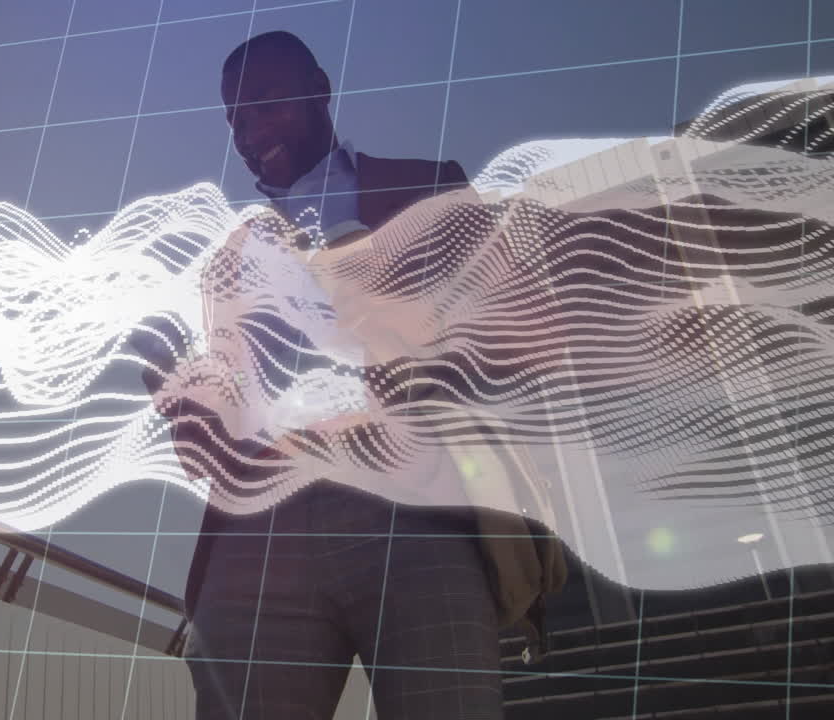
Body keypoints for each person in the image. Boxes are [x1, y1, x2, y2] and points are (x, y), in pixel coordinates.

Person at [146, 31, 565, 720]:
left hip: (414, 503)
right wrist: (185, 402)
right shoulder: (230, 260)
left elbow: (520, 328)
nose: (247, 131)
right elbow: (213, 446)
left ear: (318, 89)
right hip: (263, 527)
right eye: (234, 118)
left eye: (265, 105)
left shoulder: (428, 187)